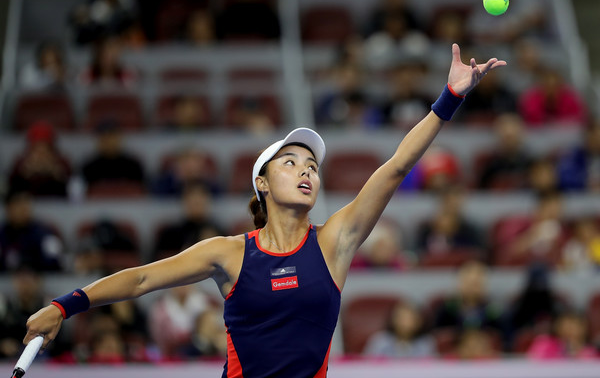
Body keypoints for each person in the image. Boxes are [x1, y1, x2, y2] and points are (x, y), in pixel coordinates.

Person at [23, 43, 505, 377]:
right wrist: (65, 305)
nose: (306, 171)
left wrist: (450, 98)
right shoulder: (229, 254)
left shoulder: (333, 242)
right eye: (290, 162)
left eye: (312, 166)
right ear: (262, 183)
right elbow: (143, 279)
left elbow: (397, 167)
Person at [363, 301, 436, 358]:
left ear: (419, 322)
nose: (404, 323)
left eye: (409, 319)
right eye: (400, 318)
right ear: (392, 320)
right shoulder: (379, 341)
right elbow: (366, 366)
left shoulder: (426, 343)